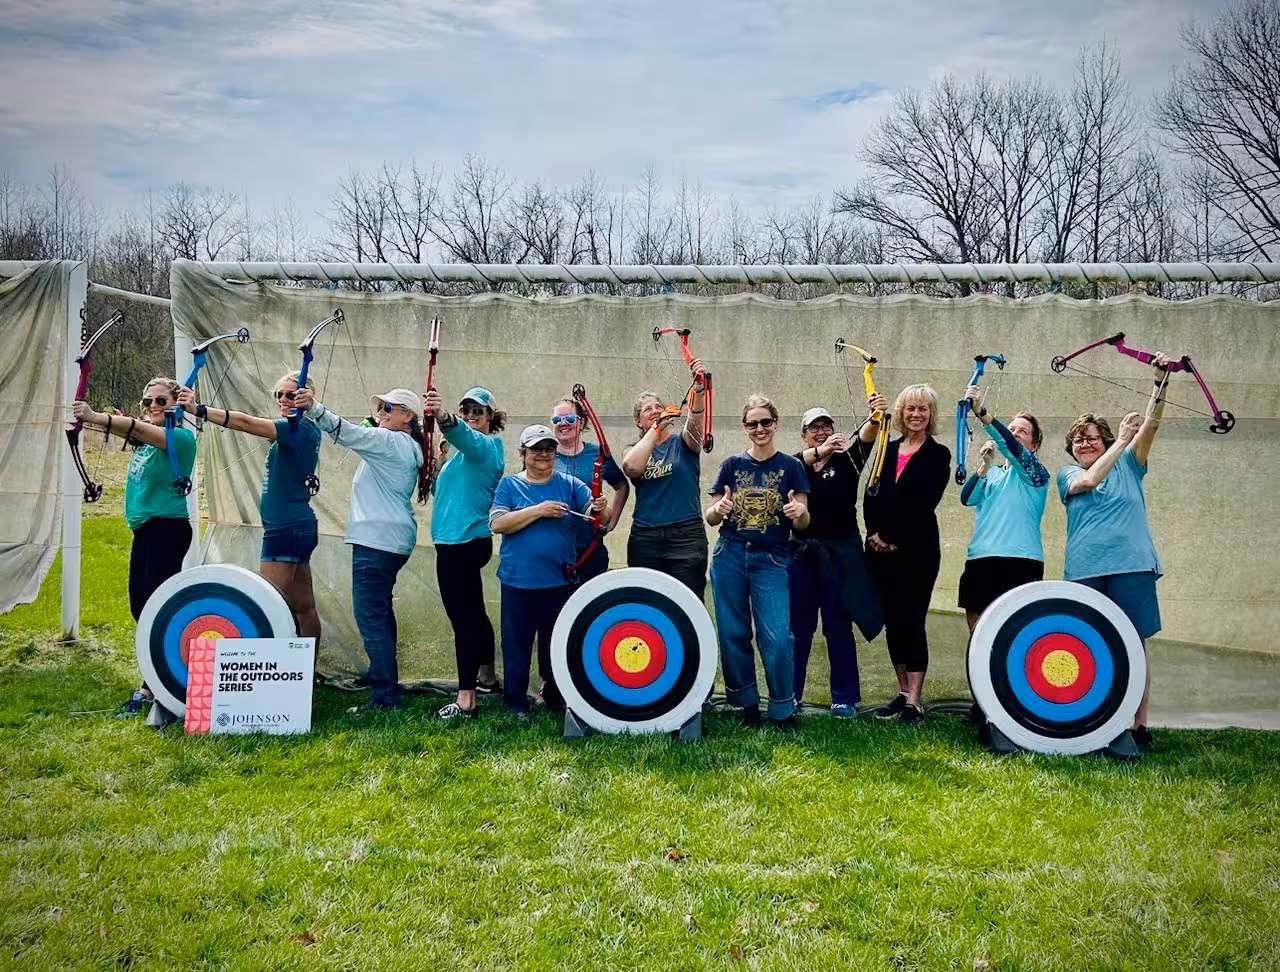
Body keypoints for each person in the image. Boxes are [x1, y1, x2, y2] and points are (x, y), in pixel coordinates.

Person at [1057, 354, 1172, 752]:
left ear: (1103, 439)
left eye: (1091, 436)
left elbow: (1151, 422)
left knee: (1134, 643)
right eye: (1078, 439)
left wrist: (1161, 381)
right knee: (1090, 645)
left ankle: (1138, 725)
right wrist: (1121, 439)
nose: (1084, 442)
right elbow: (1089, 480)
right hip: (1085, 570)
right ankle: (1097, 720)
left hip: (1132, 565)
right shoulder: (1067, 473)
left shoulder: (1131, 463)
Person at [293, 385, 425, 711]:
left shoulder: (389, 440)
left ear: (408, 416)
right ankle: (383, 677)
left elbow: (348, 433)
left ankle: (384, 698)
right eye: (380, 406)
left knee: (370, 616)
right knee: (379, 613)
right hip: (391, 541)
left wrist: (314, 408)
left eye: (389, 408)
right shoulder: (404, 443)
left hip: (377, 542)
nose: (381, 411)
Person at [175, 372, 323, 658]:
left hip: (285, 528)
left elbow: (245, 422)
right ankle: (307, 672)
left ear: (305, 398)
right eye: (278, 394)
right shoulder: (300, 429)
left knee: (265, 605)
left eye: (290, 394)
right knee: (303, 605)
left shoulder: (297, 428)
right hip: (296, 526)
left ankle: (270, 675)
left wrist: (199, 409)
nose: (282, 399)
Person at [72, 378, 196, 715]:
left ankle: (153, 686)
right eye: (148, 401)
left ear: (177, 404)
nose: (153, 406)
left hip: (166, 529)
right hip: (146, 531)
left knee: (155, 610)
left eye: (161, 401)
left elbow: (144, 432)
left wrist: (96, 417)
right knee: (140, 608)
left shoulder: (180, 438)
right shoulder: (146, 440)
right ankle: (160, 677)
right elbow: (137, 432)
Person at [706, 395, 810, 730]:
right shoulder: (731, 466)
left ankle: (782, 708)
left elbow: (803, 522)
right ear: (745, 428)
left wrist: (800, 513)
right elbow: (710, 515)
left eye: (766, 422)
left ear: (776, 424)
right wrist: (719, 510)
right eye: (753, 423)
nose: (760, 428)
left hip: (772, 559)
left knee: (778, 637)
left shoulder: (792, 468)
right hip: (730, 555)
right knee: (733, 633)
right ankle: (747, 704)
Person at [490, 425, 606, 719]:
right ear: (523, 454)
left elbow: (595, 513)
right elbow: (498, 523)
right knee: (517, 643)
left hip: (558, 579)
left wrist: (599, 506)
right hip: (518, 580)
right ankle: (515, 701)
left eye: (549, 449)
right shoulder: (509, 485)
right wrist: (538, 510)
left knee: (557, 642)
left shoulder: (569, 484)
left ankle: (555, 696)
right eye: (536, 449)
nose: (543, 454)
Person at [789, 396, 888, 717]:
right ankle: (789, 694)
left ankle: (844, 698)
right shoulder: (794, 465)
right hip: (802, 553)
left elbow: (869, 433)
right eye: (813, 428)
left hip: (839, 553)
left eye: (826, 426)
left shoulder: (850, 459)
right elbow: (794, 467)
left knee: (837, 626)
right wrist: (820, 451)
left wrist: (875, 414)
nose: (820, 431)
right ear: (804, 435)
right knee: (798, 628)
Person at [957, 387, 1051, 723]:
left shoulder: (1037, 474)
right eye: (1011, 428)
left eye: (1022, 430)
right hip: (982, 559)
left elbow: (1011, 449)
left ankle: (1014, 701)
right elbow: (967, 498)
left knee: (1015, 636)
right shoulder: (993, 474)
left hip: (1019, 561)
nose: (1013, 434)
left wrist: (983, 413)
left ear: (1034, 444)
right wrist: (983, 464)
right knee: (979, 634)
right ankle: (983, 700)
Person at [863, 384, 951, 725]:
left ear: (931, 414)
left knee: (911, 620)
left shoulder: (938, 454)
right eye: (910, 409)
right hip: (879, 550)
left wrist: (890, 535)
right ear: (900, 413)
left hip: (916, 551)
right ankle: (901, 692)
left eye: (923, 409)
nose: (916, 414)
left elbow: (923, 501)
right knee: (892, 622)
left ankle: (915, 700)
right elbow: (872, 493)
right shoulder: (887, 447)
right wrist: (874, 534)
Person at [423, 386, 506, 720]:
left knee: (463, 619)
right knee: (474, 613)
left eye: (478, 411)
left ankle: (466, 699)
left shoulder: (488, 447)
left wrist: (442, 416)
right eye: (466, 409)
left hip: (464, 543)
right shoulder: (456, 454)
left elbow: (466, 437)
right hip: (455, 541)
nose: (472, 415)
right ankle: (486, 677)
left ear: (491, 418)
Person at [620, 355, 709, 599]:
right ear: (637, 421)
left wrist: (699, 389)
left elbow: (695, 422)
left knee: (687, 603)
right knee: (648, 604)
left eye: (658, 406)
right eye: (647, 409)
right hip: (646, 538)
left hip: (686, 536)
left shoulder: (683, 443)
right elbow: (631, 467)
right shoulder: (633, 448)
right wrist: (656, 429)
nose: (655, 411)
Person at [552, 396, 629, 584]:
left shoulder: (597, 454)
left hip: (589, 547)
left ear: (582, 422)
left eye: (570, 419)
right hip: (553, 548)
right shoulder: (544, 453)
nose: (563, 424)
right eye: (557, 420)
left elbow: (621, 486)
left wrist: (611, 522)